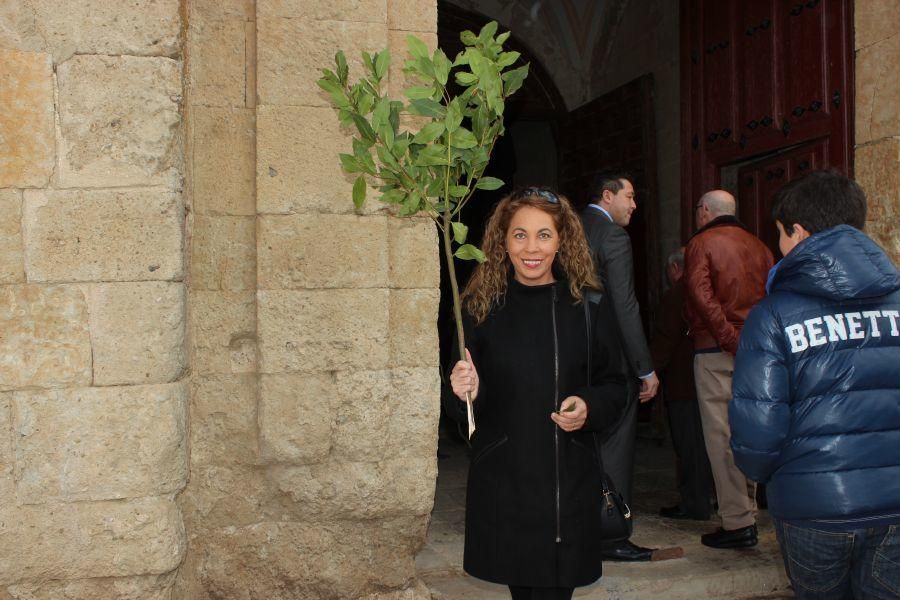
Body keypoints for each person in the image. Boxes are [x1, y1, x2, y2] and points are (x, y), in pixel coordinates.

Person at [446, 187, 628, 599]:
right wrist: (464, 392)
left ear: (562, 241)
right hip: (505, 485)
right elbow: (459, 414)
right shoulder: (477, 309)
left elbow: (616, 387)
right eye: (520, 235)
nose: (532, 248)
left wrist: (588, 405)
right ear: (502, 242)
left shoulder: (588, 307)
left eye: (544, 235)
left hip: (566, 487)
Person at [731, 170, 900, 599]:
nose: (780, 247)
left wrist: (771, 477)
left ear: (799, 231)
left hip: (814, 506)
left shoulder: (772, 316)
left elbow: (757, 430)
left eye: (781, 235)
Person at [684, 189, 773, 549]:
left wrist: (728, 338)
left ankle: (738, 522)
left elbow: (700, 295)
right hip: (755, 353)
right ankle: (746, 511)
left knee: (720, 437)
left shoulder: (702, 243)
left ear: (704, 211)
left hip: (717, 351)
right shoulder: (761, 247)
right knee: (747, 430)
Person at [580, 173, 659, 561]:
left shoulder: (567, 225)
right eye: (629, 196)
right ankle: (611, 535)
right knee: (615, 447)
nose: (633, 205)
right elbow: (625, 305)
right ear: (607, 195)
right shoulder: (612, 236)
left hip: (572, 355)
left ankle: (576, 527)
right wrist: (644, 368)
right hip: (609, 359)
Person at [650, 249, 714, 521]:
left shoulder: (677, 294)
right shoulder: (710, 289)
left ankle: (695, 502)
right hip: (711, 380)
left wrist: (647, 372)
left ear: (676, 269)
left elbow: (665, 338)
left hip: (684, 382)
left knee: (689, 446)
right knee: (711, 443)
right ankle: (714, 497)